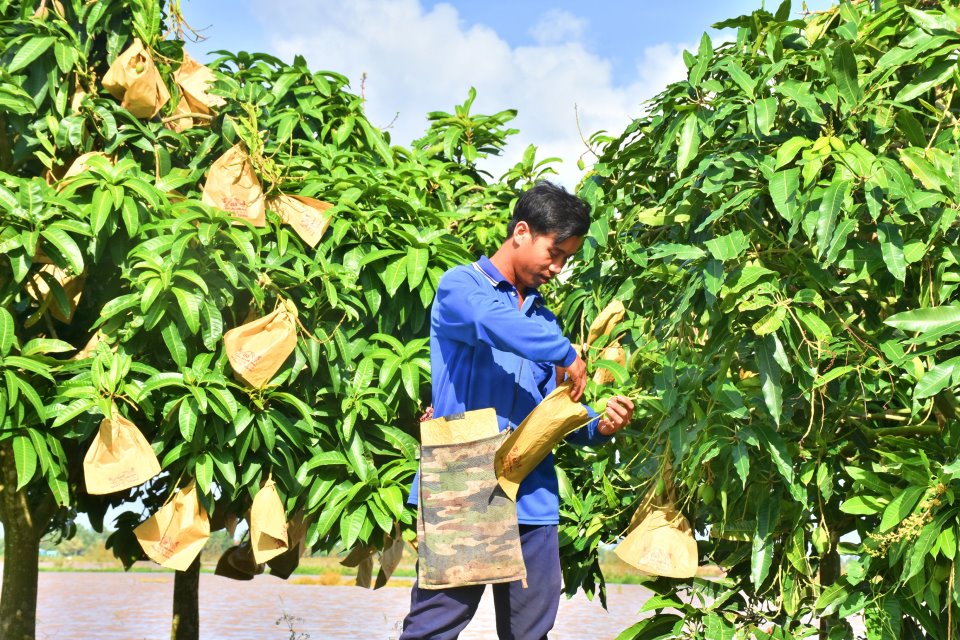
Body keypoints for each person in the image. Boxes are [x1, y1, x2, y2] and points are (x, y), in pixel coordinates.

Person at [400, 181, 635, 640]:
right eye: (555, 252)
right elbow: (497, 325)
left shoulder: (545, 320)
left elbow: (552, 409)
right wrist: (567, 352)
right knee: (435, 626)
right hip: (465, 480)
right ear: (522, 232)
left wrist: (599, 424)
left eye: (567, 259)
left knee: (531, 632)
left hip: (533, 494)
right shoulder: (461, 287)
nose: (558, 267)